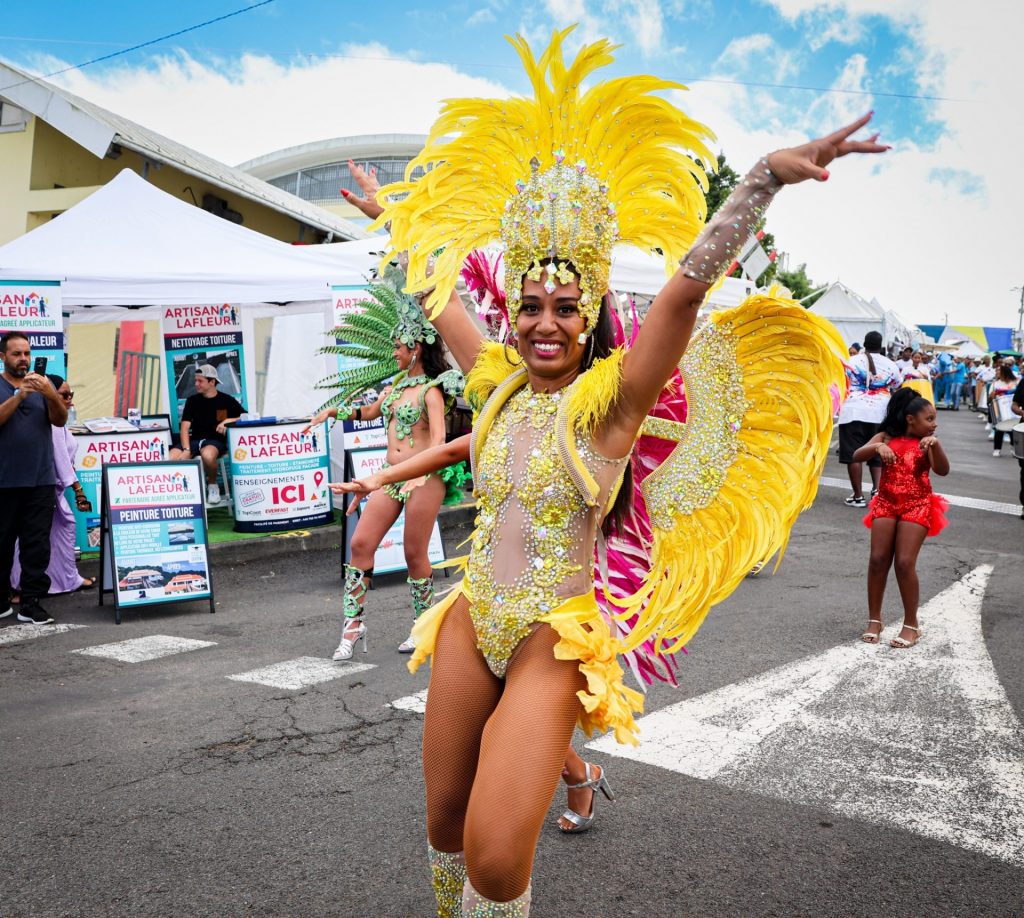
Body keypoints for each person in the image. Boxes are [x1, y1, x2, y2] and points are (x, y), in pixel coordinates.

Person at [345, 29, 886, 914]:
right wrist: (393, 220)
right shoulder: (496, 386)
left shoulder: (613, 406)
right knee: (443, 824)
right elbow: (440, 290)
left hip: (551, 640)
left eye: (566, 307)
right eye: (529, 307)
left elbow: (679, 295)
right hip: (470, 615)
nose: (544, 324)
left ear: (591, 309)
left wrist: (761, 182)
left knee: (493, 857)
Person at [316, 271, 466, 658]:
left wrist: (420, 478)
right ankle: (353, 627)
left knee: (414, 553)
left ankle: (423, 629)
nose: (394, 353)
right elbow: (367, 412)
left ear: (416, 347)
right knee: (361, 542)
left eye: (398, 346)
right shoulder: (395, 387)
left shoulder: (432, 390)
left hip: (425, 477)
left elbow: (437, 443)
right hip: (391, 477)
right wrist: (332, 410)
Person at [854, 389, 949, 648]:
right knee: (877, 560)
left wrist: (936, 445)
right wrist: (878, 446)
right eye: (929, 419)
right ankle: (875, 620)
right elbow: (857, 455)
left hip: (916, 505)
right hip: (886, 503)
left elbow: (942, 471)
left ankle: (911, 625)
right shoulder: (886, 436)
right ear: (910, 419)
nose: (934, 424)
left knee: (905, 563)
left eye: (934, 419)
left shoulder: (927, 442)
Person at [0, 332, 68, 625]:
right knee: (2, 544)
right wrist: (21, 395)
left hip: (40, 479)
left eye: (27, 353)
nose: (24, 359)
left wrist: (50, 393)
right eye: (16, 354)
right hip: (4, 480)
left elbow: (60, 420)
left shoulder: (45, 386)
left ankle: (30, 603)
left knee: (36, 544)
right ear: (3, 356)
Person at [10, 376, 95, 598]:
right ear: (49, 394)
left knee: (51, 538)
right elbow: (61, 459)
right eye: (64, 395)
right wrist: (77, 490)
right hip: (44, 488)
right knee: (33, 539)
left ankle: (65, 580)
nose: (69, 400)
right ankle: (21, 588)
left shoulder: (58, 422)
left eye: (71, 395)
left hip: (49, 487)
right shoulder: (51, 422)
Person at [837, 330, 902, 507]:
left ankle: (858, 497)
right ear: (881, 346)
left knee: (853, 455)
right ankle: (877, 492)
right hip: (880, 414)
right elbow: (897, 384)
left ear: (864, 344)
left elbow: (839, 382)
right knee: (877, 453)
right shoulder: (891, 364)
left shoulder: (850, 361)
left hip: (853, 412)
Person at [168, 364, 244, 505]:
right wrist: (186, 450)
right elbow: (184, 427)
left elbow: (247, 416)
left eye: (200, 381)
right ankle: (177, 497)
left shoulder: (227, 400)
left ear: (212, 382)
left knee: (208, 456)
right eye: (195, 380)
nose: (196, 384)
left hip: (215, 441)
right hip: (194, 440)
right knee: (169, 458)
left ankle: (212, 485)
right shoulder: (192, 401)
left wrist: (228, 420)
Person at [991, 360, 1021, 456]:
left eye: (1000, 372)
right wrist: (992, 395)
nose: (998, 373)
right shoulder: (996, 383)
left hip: (1013, 408)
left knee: (1013, 429)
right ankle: (997, 449)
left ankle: (1013, 448)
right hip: (1001, 408)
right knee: (999, 428)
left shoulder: (1016, 382)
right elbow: (991, 398)